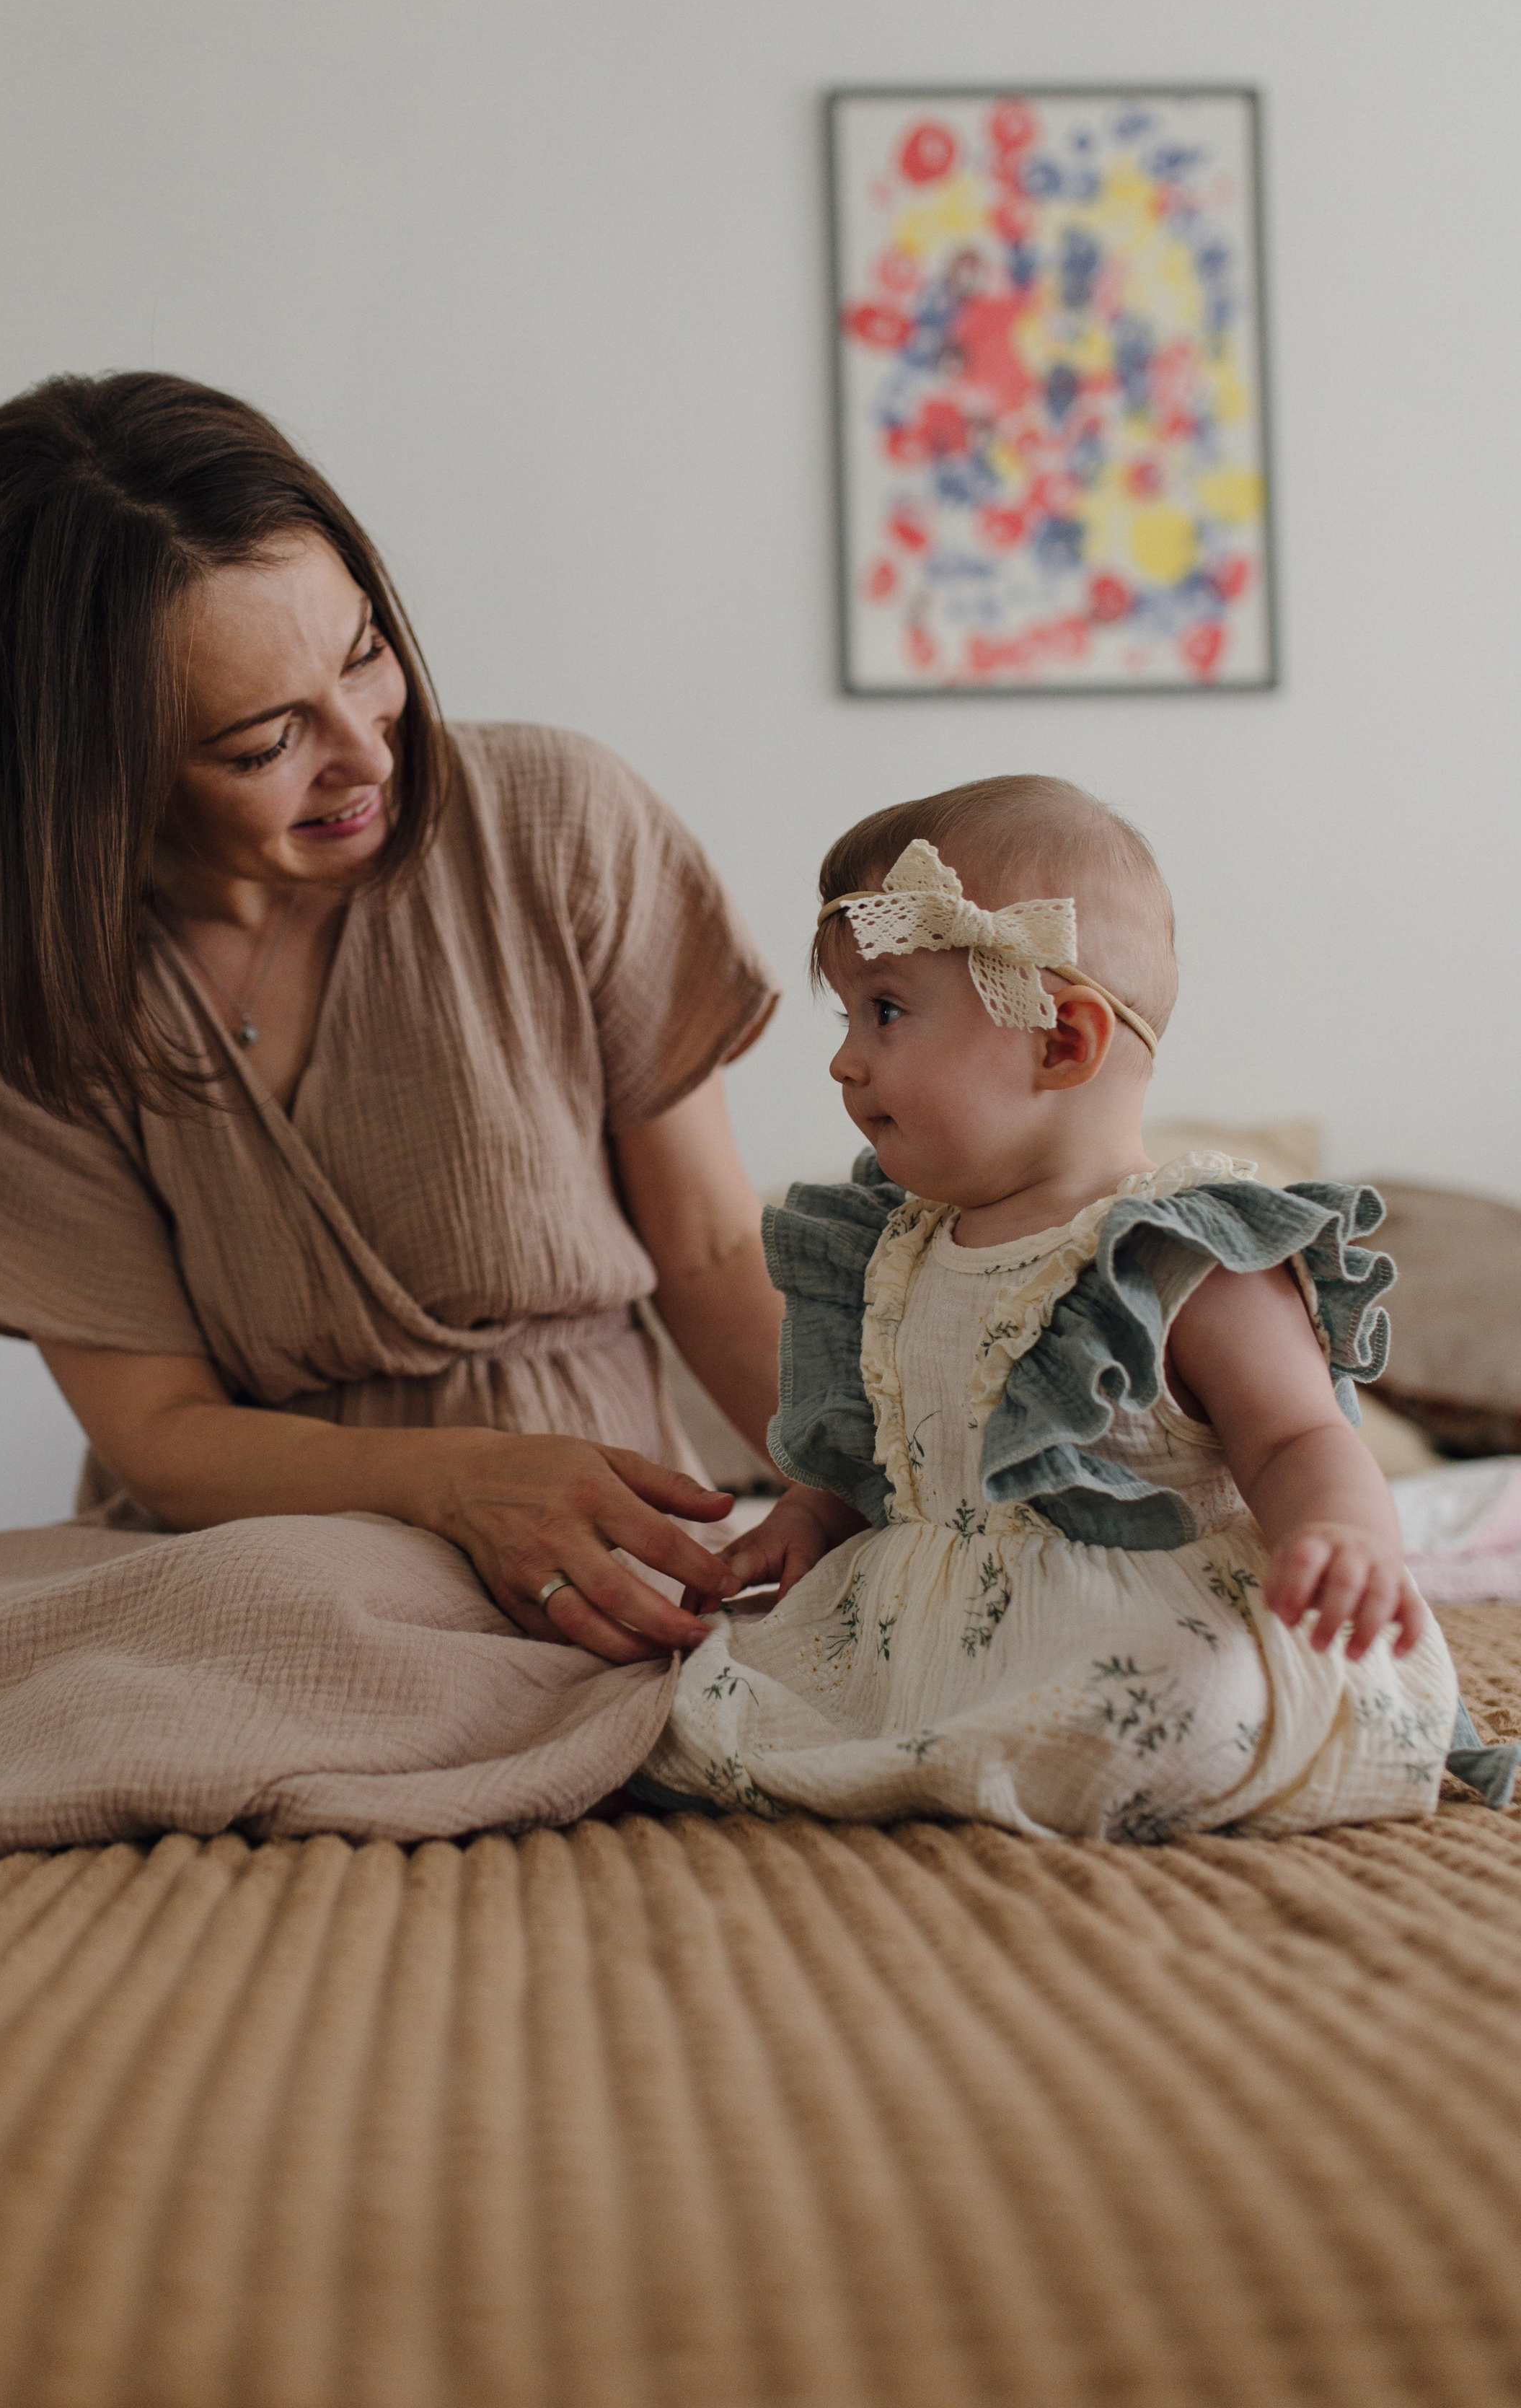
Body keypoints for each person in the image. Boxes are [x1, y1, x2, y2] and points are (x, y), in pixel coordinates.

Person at [0, 372, 785, 1928]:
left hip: (586, 1559)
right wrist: (456, 1485)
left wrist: (887, 1487)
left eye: (366, 654)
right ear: (85, 765)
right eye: (266, 739)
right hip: (247, 1551)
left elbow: (714, 1252)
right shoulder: (20, 989)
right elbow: (158, 1428)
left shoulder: (555, 824)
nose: (367, 752)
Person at [640, 775, 1512, 1840]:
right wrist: (807, 1517)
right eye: (849, 1015)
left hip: (1130, 1622)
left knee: (1170, 1711)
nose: (844, 1059)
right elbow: (894, 1449)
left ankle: (986, 1757)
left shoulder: (1179, 1254)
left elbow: (1295, 1437)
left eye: (887, 1011)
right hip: (924, 1622)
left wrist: (1341, 1536)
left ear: (1061, 1042)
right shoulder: (898, 1247)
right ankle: (925, 1746)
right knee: (697, 1689)